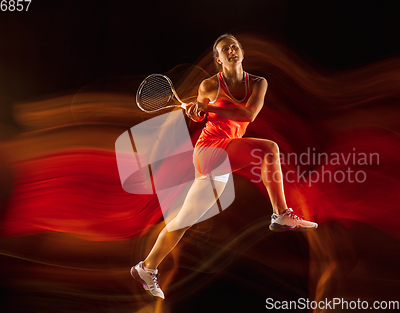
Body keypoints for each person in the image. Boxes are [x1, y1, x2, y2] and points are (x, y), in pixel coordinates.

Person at [130, 34, 318, 299]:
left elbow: (248, 114)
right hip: (208, 150)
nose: (231, 50)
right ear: (218, 60)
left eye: (234, 47)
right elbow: (200, 113)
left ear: (241, 53)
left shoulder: (258, 83)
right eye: (224, 49)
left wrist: (207, 109)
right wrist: (198, 110)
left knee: (185, 220)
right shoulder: (209, 85)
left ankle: (146, 267)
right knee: (269, 150)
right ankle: (280, 214)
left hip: (226, 151)